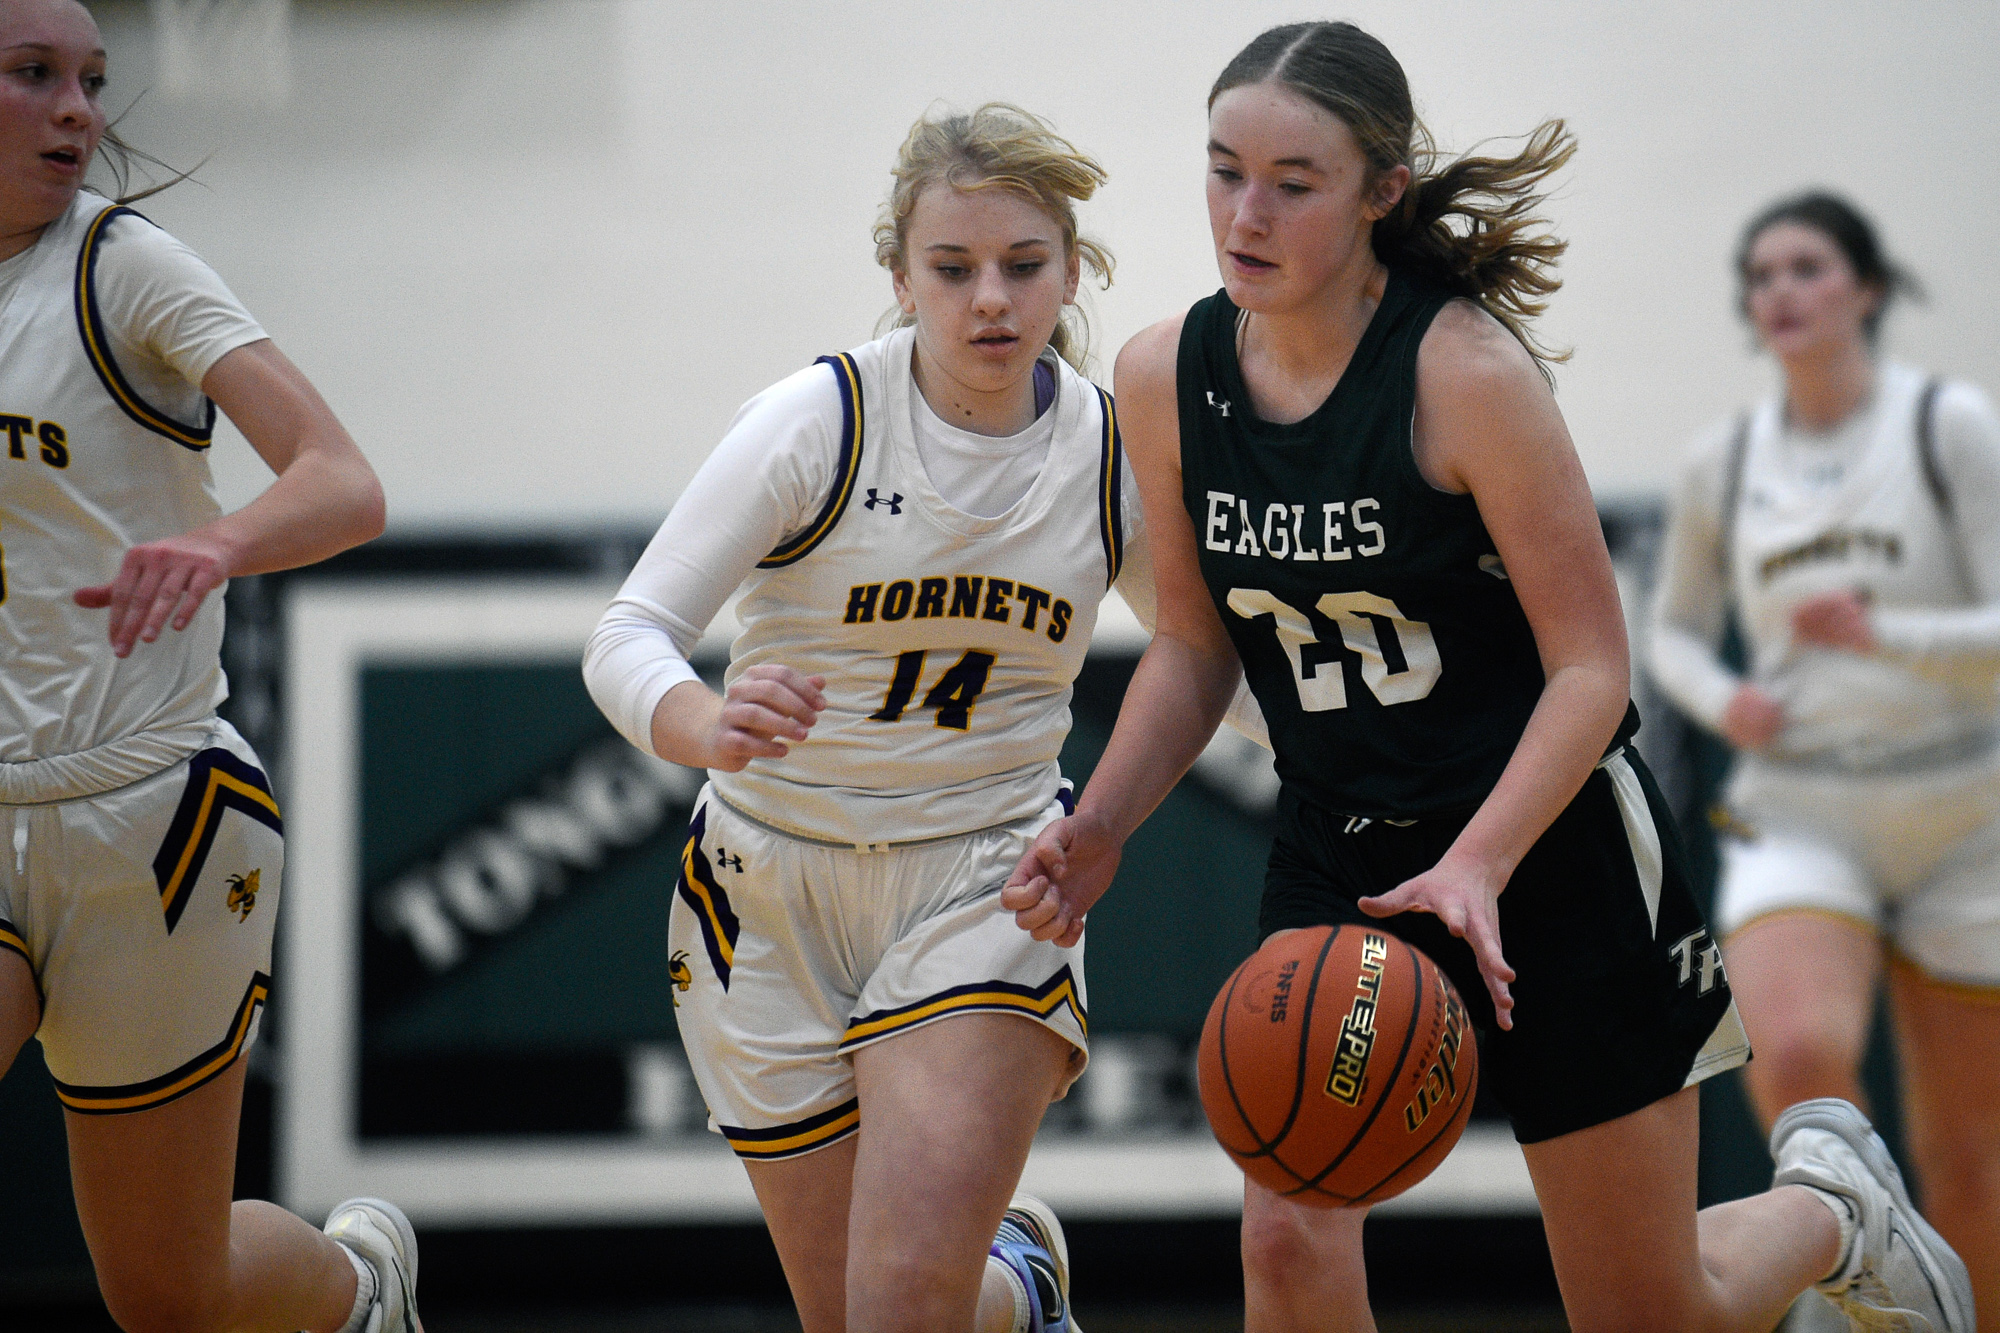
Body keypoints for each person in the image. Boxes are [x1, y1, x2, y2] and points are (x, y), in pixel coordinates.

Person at [1002, 21, 1975, 1333]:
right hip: (1343, 849)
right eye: (1225, 169)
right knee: (1288, 1229)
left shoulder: (1465, 374)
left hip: (1549, 849)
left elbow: (1592, 669)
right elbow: (1191, 640)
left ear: (1382, 190)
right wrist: (1103, 821)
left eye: (1294, 181)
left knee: (1649, 1309)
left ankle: (1832, 1210)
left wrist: (1478, 862)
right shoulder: (1165, 375)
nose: (1246, 211)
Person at [583, 103, 1148, 1333]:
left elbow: (1212, 660)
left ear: (1071, 271)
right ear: (898, 274)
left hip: (984, 879)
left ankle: (985, 1282)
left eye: (1022, 265)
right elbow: (625, 638)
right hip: (766, 884)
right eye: (951, 269)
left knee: (896, 1305)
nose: (987, 299)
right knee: (854, 1313)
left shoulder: (1109, 455)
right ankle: (1021, 1285)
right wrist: (704, 720)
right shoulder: (818, 419)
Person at [0, 3, 419, 1331]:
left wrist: (215, 542)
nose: (80, 110)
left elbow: (345, 483)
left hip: (152, 819)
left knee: (170, 1296)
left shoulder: (124, 268)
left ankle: (359, 1288)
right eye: (34, 75)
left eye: (92, 80)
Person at [1649, 190, 2000, 1320]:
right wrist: (1723, 696)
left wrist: (1884, 633)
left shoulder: (1948, 427)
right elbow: (1669, 632)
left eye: (1803, 267)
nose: (1778, 291)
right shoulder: (1727, 456)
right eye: (1759, 275)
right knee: (1796, 1057)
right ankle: (1841, 1281)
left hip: (1962, 804)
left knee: (1970, 1161)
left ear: (1866, 289)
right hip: (1797, 801)